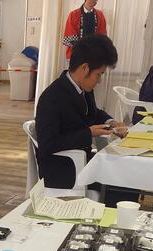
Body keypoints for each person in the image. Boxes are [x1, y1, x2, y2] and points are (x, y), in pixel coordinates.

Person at [34, 35, 124, 191]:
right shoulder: (52, 97)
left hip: (81, 159)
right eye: (99, 74)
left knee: (122, 168)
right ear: (85, 68)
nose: (99, 80)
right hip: (62, 169)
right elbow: (48, 145)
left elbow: (94, 113)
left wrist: (111, 123)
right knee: (119, 180)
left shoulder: (83, 88)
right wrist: (89, 133)